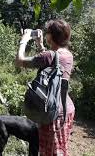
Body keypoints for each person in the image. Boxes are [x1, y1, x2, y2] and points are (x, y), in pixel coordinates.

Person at [15, 19, 75, 156]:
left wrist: (24, 40)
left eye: (47, 32)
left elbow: (19, 61)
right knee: (60, 149)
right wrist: (40, 44)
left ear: (52, 36)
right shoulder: (67, 54)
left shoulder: (49, 55)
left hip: (52, 111)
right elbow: (52, 61)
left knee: (50, 153)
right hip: (66, 109)